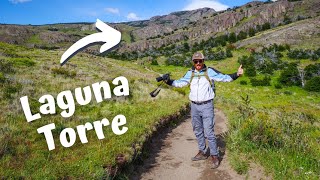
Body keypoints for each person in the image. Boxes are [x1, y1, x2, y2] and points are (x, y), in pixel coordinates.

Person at [165, 52, 243, 169]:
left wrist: (237, 74)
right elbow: (180, 83)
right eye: (195, 61)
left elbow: (225, 78)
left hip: (207, 105)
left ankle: (214, 156)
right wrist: (169, 81)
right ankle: (202, 151)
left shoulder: (209, 72)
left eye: (200, 61)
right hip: (194, 106)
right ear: (193, 62)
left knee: (209, 131)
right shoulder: (189, 73)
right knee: (197, 130)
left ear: (203, 61)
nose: (198, 63)